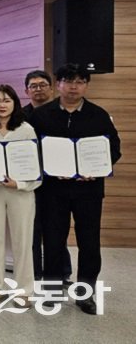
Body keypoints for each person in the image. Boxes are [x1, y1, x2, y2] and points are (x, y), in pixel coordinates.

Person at [29, 64, 121, 315]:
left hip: (88, 191)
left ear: (86, 85)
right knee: (53, 241)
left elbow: (113, 149)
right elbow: (30, 149)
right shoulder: (41, 115)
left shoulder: (98, 115)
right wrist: (46, 166)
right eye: (68, 81)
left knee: (89, 243)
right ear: (57, 85)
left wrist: (99, 168)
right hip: (53, 190)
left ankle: (86, 294)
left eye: (80, 81)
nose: (73, 86)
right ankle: (50, 291)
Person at [0, 84, 41, 307]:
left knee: (22, 241)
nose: (2, 105)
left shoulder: (26, 130)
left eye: (7, 100)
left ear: (15, 103)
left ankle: (24, 290)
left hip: (20, 193)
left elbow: (35, 168)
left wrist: (20, 183)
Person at [22, 70, 73, 284]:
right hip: (29, 181)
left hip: (57, 182)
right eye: (33, 86)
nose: (38, 89)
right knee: (31, 229)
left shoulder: (63, 113)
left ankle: (61, 273)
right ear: (26, 91)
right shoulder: (20, 116)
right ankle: (33, 274)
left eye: (42, 84)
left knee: (56, 229)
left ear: (51, 88)